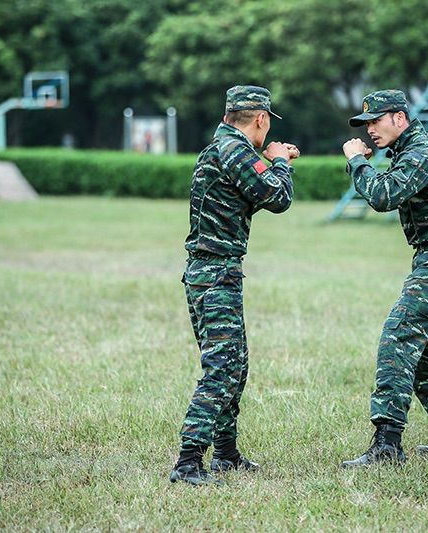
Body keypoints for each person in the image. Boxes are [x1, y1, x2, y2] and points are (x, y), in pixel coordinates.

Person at [340, 90, 428, 467]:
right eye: (366, 124)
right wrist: (363, 163)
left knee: (398, 338)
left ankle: (387, 445)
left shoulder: (420, 150)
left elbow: (383, 196)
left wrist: (355, 162)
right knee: (421, 353)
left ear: (399, 118)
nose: (370, 130)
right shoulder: (407, 150)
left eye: (376, 121)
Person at [170, 85, 300, 485]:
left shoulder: (224, 148)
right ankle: (188, 461)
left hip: (212, 272)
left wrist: (271, 162)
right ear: (261, 119)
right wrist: (280, 161)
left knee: (235, 364)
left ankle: (225, 454)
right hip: (215, 274)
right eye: (267, 124)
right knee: (223, 366)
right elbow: (278, 197)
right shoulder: (235, 151)